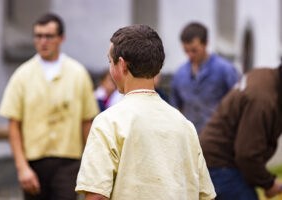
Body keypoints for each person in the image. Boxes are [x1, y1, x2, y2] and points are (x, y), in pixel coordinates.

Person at [75, 24, 216, 200]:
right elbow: (205, 195)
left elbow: (96, 195)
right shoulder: (184, 125)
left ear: (122, 65)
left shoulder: (108, 122)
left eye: (110, 62)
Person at [0, 13, 99, 200]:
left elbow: (87, 123)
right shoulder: (22, 75)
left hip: (68, 164)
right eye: (38, 35)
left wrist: (93, 166)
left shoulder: (78, 74)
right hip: (34, 164)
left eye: (49, 36)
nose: (43, 41)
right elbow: (14, 126)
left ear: (61, 38)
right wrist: (22, 168)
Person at [199, 66, 282, 199]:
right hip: (220, 164)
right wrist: (269, 184)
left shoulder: (264, 75)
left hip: (215, 158)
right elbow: (247, 155)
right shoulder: (263, 100)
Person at [170, 22, 239, 134]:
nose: (190, 55)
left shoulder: (226, 70)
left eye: (194, 50)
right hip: (191, 138)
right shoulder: (180, 74)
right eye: (186, 51)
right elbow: (176, 107)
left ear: (205, 44)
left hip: (219, 137)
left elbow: (237, 103)